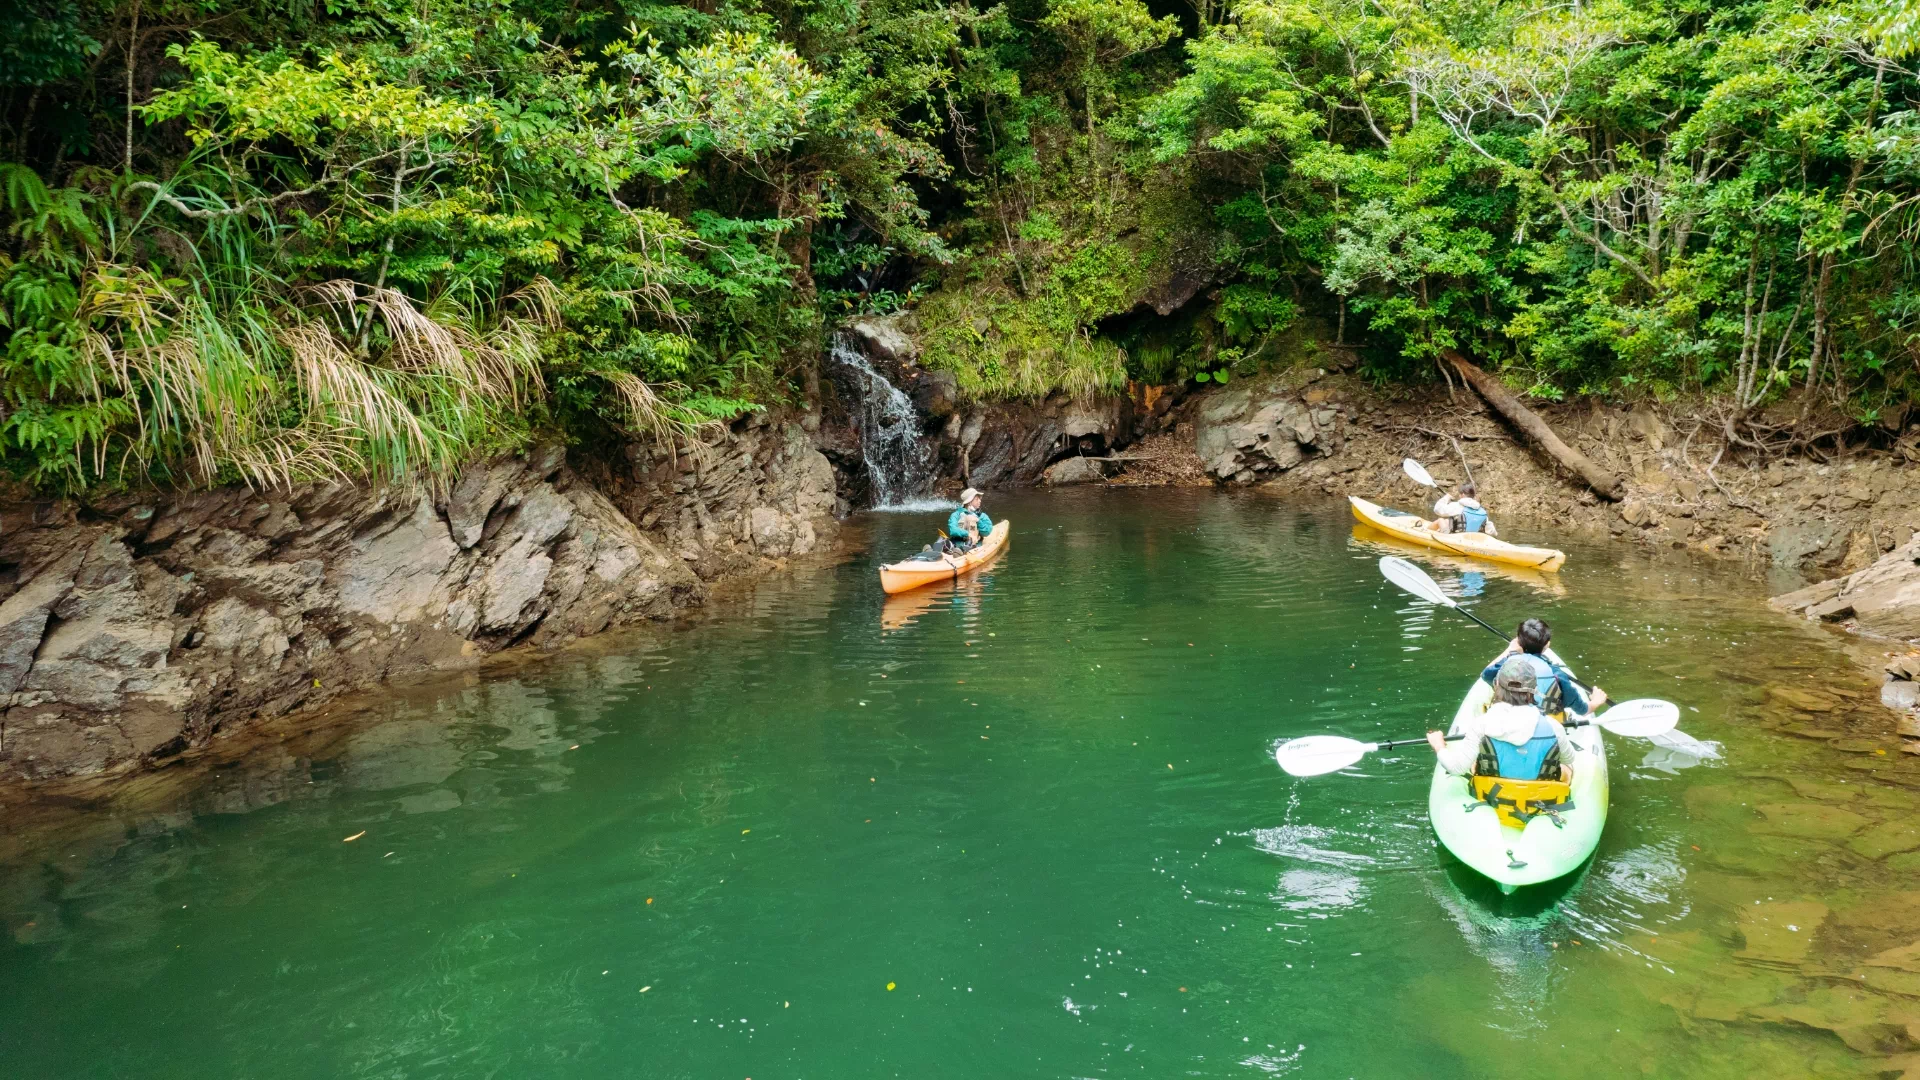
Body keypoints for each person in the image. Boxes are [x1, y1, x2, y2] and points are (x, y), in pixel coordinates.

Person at [1428, 655, 1573, 782]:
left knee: (1473, 764)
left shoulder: (1481, 725)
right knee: (1568, 767)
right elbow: (1569, 759)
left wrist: (1439, 745)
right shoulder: (1554, 727)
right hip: (1542, 798)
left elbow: (1457, 768)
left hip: (1494, 796)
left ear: (1496, 685)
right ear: (1534, 690)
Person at [1479, 617, 1607, 717]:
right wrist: (1596, 701)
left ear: (1518, 641)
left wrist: (1510, 650)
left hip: (1504, 719)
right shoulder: (1557, 675)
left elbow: (1485, 674)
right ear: (1547, 645)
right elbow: (1583, 710)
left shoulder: (1505, 665)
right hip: (1541, 723)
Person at [1428, 481, 1497, 536]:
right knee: (1447, 521)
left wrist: (1446, 497)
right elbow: (1493, 532)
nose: (1459, 496)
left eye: (1459, 494)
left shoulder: (1457, 506)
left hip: (1456, 538)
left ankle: (1425, 532)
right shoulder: (1482, 510)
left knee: (1440, 520)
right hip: (1475, 538)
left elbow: (1437, 509)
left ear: (1463, 495)